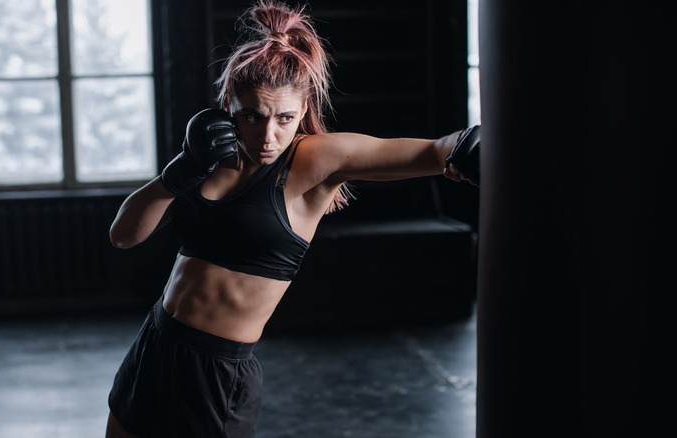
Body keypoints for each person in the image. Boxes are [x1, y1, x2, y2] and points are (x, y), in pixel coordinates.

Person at [105, 1, 479, 437]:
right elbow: (124, 236)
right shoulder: (209, 153)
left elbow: (434, 150)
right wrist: (180, 170)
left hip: (217, 372)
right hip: (157, 342)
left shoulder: (312, 162)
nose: (268, 136)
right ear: (230, 104)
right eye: (253, 116)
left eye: (285, 118)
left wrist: (468, 146)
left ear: (303, 111)